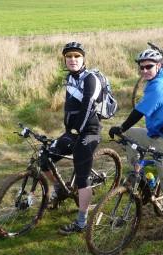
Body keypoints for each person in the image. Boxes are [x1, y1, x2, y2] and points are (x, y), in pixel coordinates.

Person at [109, 49, 163, 240]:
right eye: (142, 67)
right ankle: (147, 178)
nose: (144, 70)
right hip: (155, 133)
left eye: (149, 66)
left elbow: (139, 112)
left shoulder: (159, 85)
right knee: (130, 137)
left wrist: (121, 127)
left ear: (159, 66)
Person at [42, 41, 103, 234]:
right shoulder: (70, 78)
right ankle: (60, 189)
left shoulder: (90, 79)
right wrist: (70, 131)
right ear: (65, 60)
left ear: (83, 58)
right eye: (69, 56)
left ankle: (82, 221)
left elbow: (87, 107)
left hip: (89, 132)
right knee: (45, 159)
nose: (73, 59)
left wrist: (77, 130)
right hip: (73, 132)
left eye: (77, 56)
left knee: (82, 177)